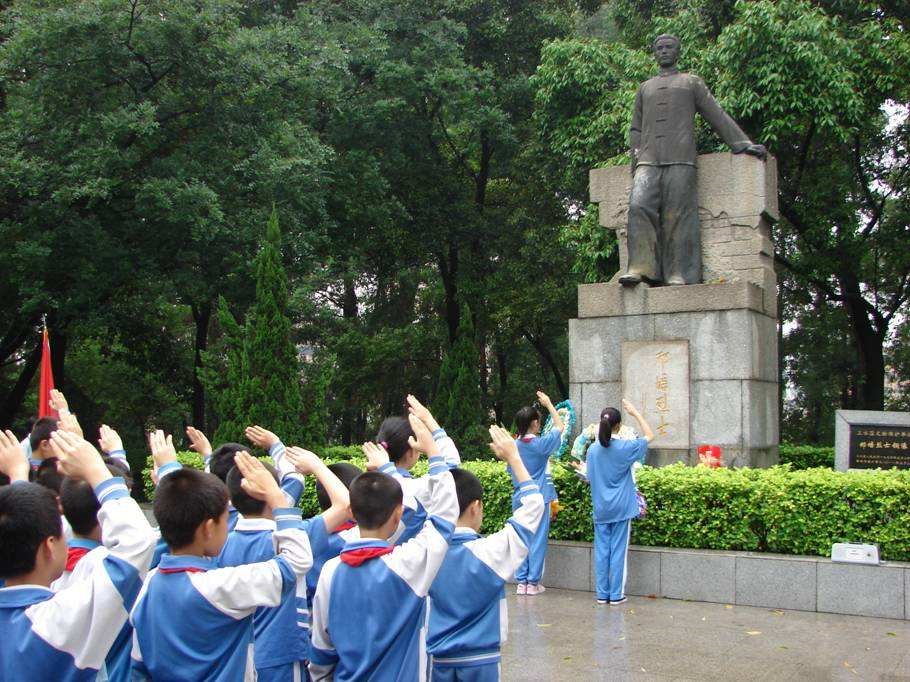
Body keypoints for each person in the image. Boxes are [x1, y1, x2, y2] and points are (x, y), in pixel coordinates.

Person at [130, 441, 315, 681]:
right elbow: (296, 560)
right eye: (225, 519)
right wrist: (275, 496)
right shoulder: (220, 587)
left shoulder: (148, 586)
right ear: (208, 529)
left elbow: (139, 665)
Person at [308, 414, 458, 681]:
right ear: (397, 515)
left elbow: (322, 649)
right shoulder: (409, 564)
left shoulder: (331, 571)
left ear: (351, 511)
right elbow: (445, 515)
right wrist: (434, 452)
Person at [0, 428, 156, 682]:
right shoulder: (57, 623)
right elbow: (138, 543)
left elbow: (16, 526)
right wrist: (96, 470)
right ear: (49, 547)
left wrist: (18, 475)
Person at [620, 33, 767, 286]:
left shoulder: (691, 82)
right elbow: (635, 128)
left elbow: (716, 114)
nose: (664, 51)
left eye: (669, 47)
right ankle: (641, 268)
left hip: (681, 157)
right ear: (654, 53)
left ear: (677, 52)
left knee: (678, 213)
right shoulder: (645, 88)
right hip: (648, 159)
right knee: (638, 206)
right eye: (659, 47)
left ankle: (679, 273)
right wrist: (635, 159)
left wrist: (742, 144)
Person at [218, 447, 351, 682]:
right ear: (271, 493)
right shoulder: (292, 538)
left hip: (238, 658)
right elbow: (345, 504)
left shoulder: (221, 543)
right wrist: (316, 465)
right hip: (281, 658)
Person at [426, 425, 545, 680]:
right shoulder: (490, 552)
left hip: (439, 660)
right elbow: (535, 505)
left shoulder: (424, 553)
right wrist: (514, 458)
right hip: (482, 660)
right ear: (475, 506)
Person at [573, 399, 654, 605]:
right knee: (618, 552)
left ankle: (602, 594)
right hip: (622, 508)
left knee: (602, 551)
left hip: (601, 508)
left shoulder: (592, 450)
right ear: (619, 425)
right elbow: (649, 436)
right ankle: (616, 595)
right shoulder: (625, 447)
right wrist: (635, 412)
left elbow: (589, 477)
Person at [374, 394, 460, 544]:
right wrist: (430, 422)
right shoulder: (417, 490)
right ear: (411, 451)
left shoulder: (364, 485)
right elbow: (450, 471)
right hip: (407, 557)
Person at [511, 390, 563, 595]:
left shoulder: (513, 446)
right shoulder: (541, 445)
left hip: (519, 498)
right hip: (540, 497)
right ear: (534, 423)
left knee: (521, 537)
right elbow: (560, 427)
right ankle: (532, 583)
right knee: (538, 538)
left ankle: (521, 582)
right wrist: (549, 404)